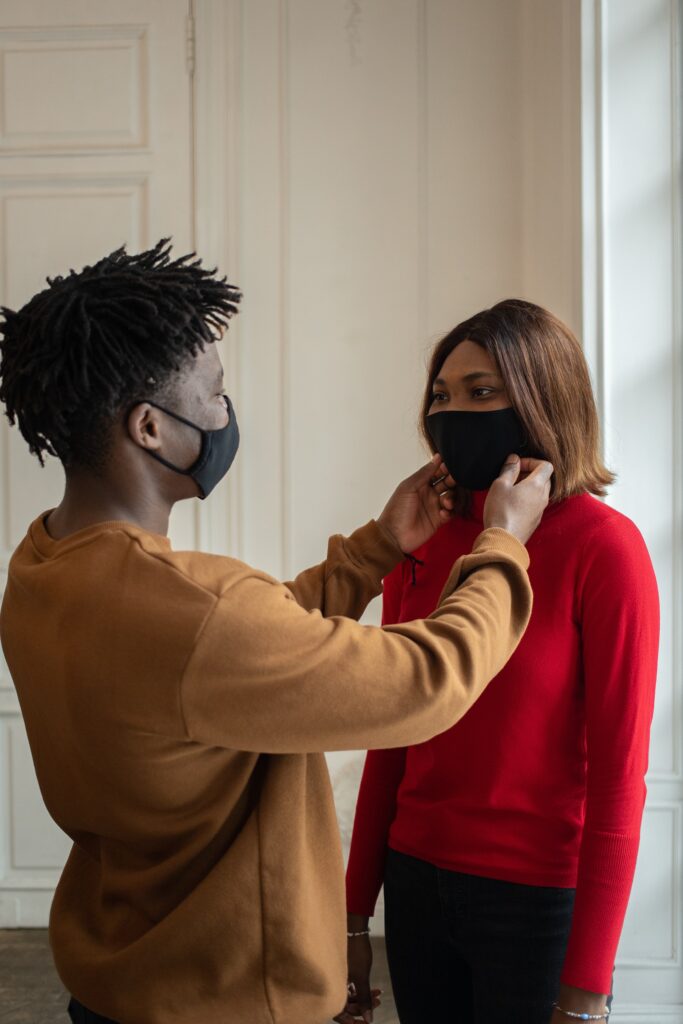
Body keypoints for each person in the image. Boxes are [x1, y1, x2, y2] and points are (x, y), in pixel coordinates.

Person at [0, 243, 553, 1024]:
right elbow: (424, 679)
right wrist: (502, 542)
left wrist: (374, 548)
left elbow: (239, 659)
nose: (226, 415)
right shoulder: (190, 609)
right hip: (230, 1001)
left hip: (115, 986)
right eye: (216, 395)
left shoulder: (41, 566)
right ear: (150, 427)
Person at [342, 299, 660, 1024]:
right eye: (441, 395)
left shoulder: (603, 549)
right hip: (415, 886)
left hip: (536, 904)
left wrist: (585, 987)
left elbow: (619, 781)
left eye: (482, 392)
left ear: (543, 396)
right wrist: (353, 916)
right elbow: (390, 737)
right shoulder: (422, 537)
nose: (455, 412)